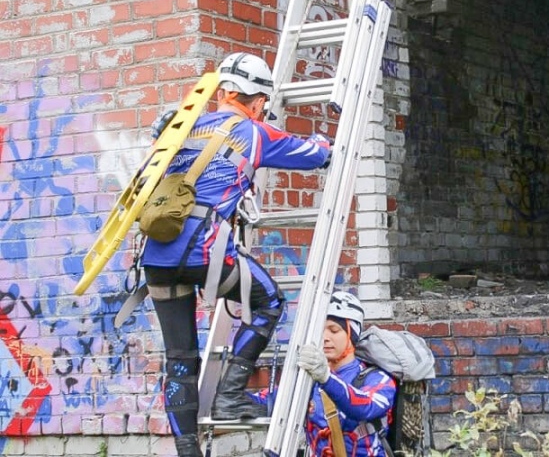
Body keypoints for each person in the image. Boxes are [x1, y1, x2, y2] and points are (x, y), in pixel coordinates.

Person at [141, 52, 332, 457]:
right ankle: (230, 394)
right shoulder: (255, 132)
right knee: (270, 302)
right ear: (259, 101)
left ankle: (187, 451)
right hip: (203, 253)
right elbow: (316, 155)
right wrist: (323, 141)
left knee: (180, 357)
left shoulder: (182, 126)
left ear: (223, 91)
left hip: (157, 255)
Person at [255, 291, 397, 456]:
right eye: (320, 330)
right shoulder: (307, 382)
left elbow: (364, 406)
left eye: (334, 330)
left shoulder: (377, 378)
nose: (325, 337)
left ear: (352, 334)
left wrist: (326, 377)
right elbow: (268, 401)